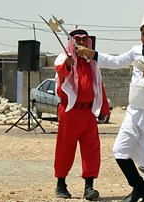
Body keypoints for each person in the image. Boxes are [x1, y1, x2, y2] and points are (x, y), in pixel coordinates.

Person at [77, 9, 144, 202]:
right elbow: (116, 61)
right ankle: (139, 187)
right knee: (120, 151)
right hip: (135, 113)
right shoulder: (135, 51)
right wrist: (92, 54)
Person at [54, 29, 110, 200]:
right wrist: (69, 64)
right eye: (77, 40)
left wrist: (104, 109)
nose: (81, 43)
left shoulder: (92, 63)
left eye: (84, 40)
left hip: (88, 112)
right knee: (65, 149)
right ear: (72, 42)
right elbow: (61, 72)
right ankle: (61, 185)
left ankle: (89, 187)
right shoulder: (64, 59)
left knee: (91, 150)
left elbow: (98, 85)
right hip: (70, 111)